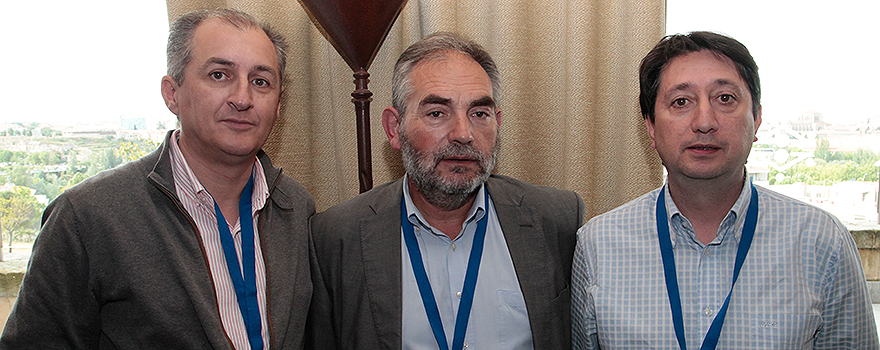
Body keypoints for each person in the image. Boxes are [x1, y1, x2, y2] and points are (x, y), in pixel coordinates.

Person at [0, 9, 314, 349]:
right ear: (172, 93)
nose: (242, 98)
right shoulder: (86, 217)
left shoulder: (296, 208)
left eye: (260, 81)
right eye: (219, 75)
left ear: (279, 104)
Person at [571, 31, 879, 349]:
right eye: (680, 102)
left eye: (725, 99)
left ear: (757, 119)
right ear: (650, 126)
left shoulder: (821, 241)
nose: (705, 121)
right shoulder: (598, 245)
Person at [306, 32, 585, 350]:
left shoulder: (558, 220)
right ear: (394, 128)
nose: (463, 134)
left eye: (479, 114)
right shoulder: (336, 236)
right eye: (437, 113)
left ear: (497, 123)